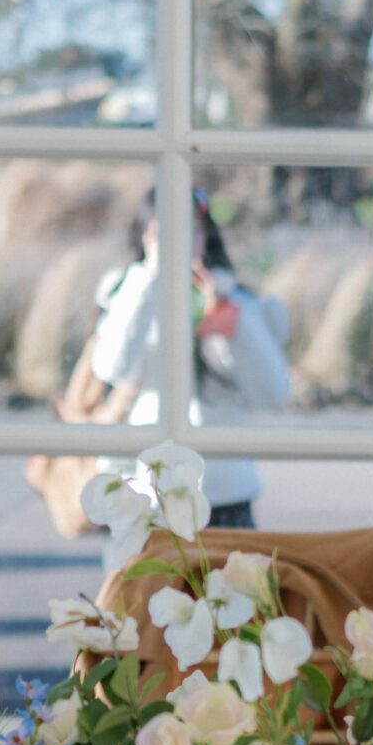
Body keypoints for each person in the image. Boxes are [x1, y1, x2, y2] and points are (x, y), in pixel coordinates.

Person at [86, 191, 293, 569]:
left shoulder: (235, 298)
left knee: (235, 605)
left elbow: (273, 392)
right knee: (137, 606)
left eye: (191, 230)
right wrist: (150, 278)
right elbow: (112, 367)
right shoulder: (125, 292)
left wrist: (230, 322)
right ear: (145, 236)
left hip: (223, 494)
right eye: (166, 232)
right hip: (142, 494)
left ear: (206, 236)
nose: (180, 242)